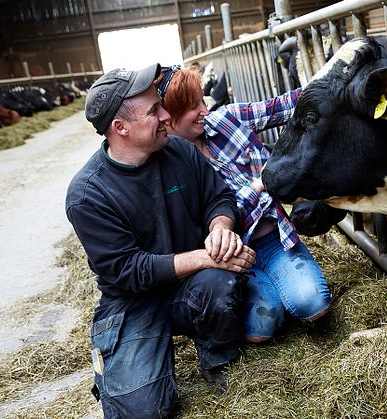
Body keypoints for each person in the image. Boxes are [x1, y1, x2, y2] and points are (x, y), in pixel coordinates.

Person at [65, 63, 255, 418]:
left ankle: (217, 357)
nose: (167, 115)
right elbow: (129, 270)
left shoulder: (179, 152)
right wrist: (205, 256)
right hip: (134, 303)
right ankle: (122, 363)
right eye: (154, 110)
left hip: (194, 287)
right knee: (143, 412)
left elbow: (219, 197)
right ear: (120, 128)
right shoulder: (88, 194)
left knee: (221, 281)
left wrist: (220, 228)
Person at [155, 66, 332, 343]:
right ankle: (266, 298)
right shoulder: (171, 168)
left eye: (203, 100)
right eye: (193, 107)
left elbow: (281, 106)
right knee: (263, 324)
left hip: (275, 239)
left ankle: (282, 285)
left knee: (314, 303)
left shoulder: (226, 119)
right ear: (169, 117)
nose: (204, 109)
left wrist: (334, 80)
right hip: (230, 262)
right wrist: (259, 185)